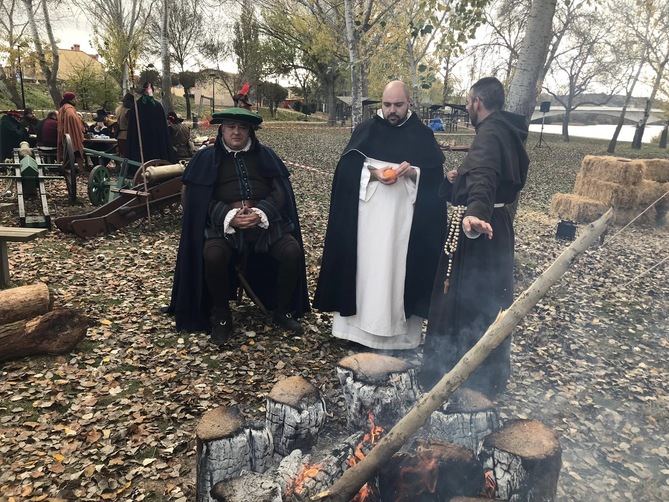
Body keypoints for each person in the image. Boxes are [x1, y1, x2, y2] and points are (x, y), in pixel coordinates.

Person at [313, 80, 445, 350]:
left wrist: (414, 173)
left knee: (395, 275)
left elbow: (434, 181)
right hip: (366, 223)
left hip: (403, 227)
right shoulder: (366, 130)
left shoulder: (423, 136)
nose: (392, 110)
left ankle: (400, 338)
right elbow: (346, 171)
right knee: (365, 272)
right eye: (387, 104)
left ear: (409, 103)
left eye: (398, 104)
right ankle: (355, 333)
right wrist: (372, 173)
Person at [419, 77, 530, 398]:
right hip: (498, 229)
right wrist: (457, 179)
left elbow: (484, 179)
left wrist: (474, 213)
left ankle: (454, 379)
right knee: (490, 304)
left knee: (463, 304)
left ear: (478, 102)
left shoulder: (489, 135)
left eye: (468, 102)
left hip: (481, 232)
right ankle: (487, 381)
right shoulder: (506, 132)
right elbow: (486, 174)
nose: (467, 107)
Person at [168, 107, 309, 345]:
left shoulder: (266, 156)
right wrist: (229, 215)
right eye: (231, 127)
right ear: (221, 129)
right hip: (223, 226)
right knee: (212, 255)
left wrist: (261, 212)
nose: (236, 132)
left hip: (263, 224)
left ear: (250, 131)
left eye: (242, 127)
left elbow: (280, 194)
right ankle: (221, 316)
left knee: (291, 251)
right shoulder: (206, 158)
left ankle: (282, 311)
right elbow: (198, 199)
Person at [127, 82, 175, 165]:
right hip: (150, 139)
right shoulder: (138, 106)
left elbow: (162, 126)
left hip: (146, 139)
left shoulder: (137, 106)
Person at [56, 92, 86, 173]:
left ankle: (68, 168)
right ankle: (81, 169)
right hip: (72, 133)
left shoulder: (62, 108)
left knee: (69, 153)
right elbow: (71, 117)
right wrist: (79, 122)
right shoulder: (69, 108)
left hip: (65, 133)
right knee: (77, 150)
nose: (76, 100)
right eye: (74, 98)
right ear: (71, 99)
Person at [115, 93, 134, 157]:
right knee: (128, 156)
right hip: (127, 136)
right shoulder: (128, 111)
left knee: (123, 155)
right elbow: (132, 124)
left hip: (120, 136)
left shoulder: (119, 110)